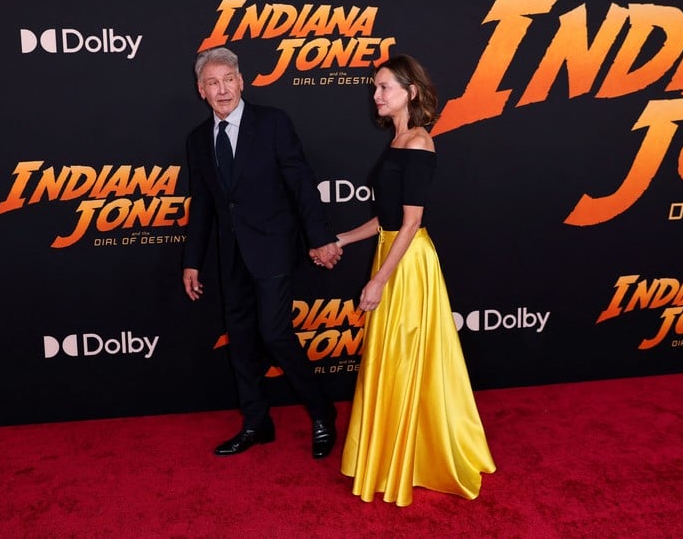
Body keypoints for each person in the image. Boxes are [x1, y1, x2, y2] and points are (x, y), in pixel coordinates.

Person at [319, 55, 496, 506]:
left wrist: (378, 279)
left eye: (384, 88)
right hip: (393, 251)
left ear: (410, 92)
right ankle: (394, 452)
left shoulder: (419, 143)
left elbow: (413, 223)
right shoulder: (398, 141)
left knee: (404, 358)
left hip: (408, 264)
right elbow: (386, 219)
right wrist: (339, 238)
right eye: (375, 88)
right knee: (393, 358)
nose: (376, 95)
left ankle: (411, 456)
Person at [183, 47, 342, 459]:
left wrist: (320, 237)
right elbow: (202, 204)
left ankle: (323, 413)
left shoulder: (272, 123)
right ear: (201, 91)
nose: (222, 90)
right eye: (212, 83)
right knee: (240, 341)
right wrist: (192, 260)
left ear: (242, 81)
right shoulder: (198, 140)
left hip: (272, 248)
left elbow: (301, 183)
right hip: (230, 255)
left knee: (274, 334)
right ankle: (257, 422)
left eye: (228, 80)